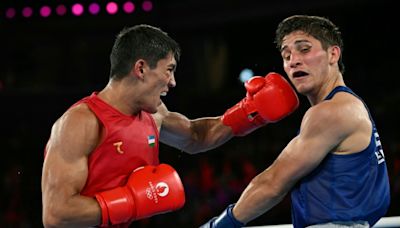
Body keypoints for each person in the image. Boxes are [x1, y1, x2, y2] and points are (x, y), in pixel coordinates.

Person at [41, 24, 299, 227]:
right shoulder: (81, 122)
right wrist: (132, 201)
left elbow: (197, 136)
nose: (173, 82)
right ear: (140, 68)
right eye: (169, 70)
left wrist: (250, 113)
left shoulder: (154, 115)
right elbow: (56, 214)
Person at [201, 15, 391, 228]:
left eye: (304, 49)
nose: (294, 60)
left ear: (333, 54)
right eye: (286, 54)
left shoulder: (333, 111)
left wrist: (219, 225)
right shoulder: (347, 105)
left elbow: (273, 183)